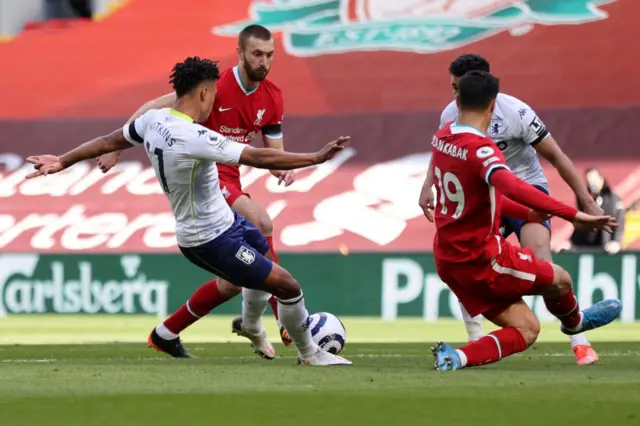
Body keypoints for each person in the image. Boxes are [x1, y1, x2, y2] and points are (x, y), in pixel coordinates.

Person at [25, 56, 352, 367]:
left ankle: (251, 324)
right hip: (209, 239)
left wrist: (63, 160)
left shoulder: (153, 121)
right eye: (213, 95)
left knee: (262, 248)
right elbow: (260, 157)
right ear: (205, 92)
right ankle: (311, 353)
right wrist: (315, 158)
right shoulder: (195, 137)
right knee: (288, 286)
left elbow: (108, 140)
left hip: (226, 223)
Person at [97, 25, 294, 358]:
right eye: (257, 54)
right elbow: (153, 107)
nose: (264, 61)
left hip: (233, 178)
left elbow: (274, 149)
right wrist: (116, 148)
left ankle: (165, 333)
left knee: (234, 283)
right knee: (262, 222)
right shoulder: (214, 87)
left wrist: (283, 169)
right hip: (206, 173)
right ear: (241, 53)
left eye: (269, 54)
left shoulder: (273, 97)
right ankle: (282, 314)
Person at [426, 70, 621, 371]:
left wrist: (531, 215)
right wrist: (571, 213)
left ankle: (456, 357)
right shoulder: (481, 149)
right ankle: (576, 325)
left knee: (527, 328)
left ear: (458, 99)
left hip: (448, 260)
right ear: (492, 105)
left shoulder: (442, 138)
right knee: (560, 279)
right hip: (480, 259)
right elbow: (513, 187)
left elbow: (491, 198)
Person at [568, 168, 626, 254]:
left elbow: (619, 221)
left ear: (601, 179)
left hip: (606, 246)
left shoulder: (613, 199)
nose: (592, 183)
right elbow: (580, 221)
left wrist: (616, 242)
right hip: (584, 246)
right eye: (589, 181)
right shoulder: (583, 199)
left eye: (594, 179)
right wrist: (571, 242)